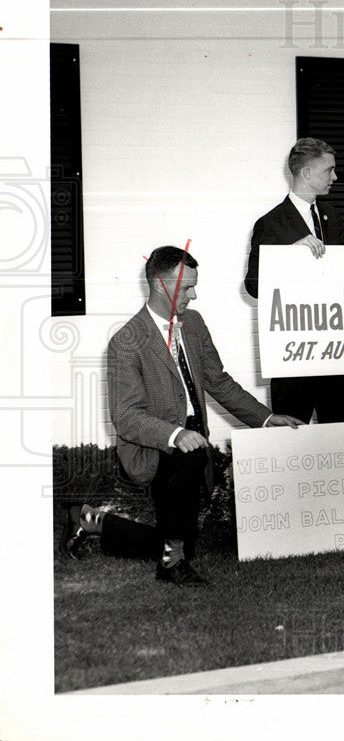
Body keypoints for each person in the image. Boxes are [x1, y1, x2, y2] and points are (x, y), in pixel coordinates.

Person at [100, 245, 302, 586]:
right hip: (154, 447)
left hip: (191, 440)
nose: (194, 295)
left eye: (194, 286)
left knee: (182, 542)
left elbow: (218, 381)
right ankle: (170, 565)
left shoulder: (192, 323)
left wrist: (266, 419)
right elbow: (126, 417)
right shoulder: (127, 341)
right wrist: (176, 435)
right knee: (190, 456)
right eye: (186, 288)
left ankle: (92, 522)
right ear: (160, 286)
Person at [244, 137, 344, 424]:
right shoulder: (271, 223)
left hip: (335, 353)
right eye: (329, 170)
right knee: (293, 438)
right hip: (293, 357)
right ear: (306, 173)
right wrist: (288, 256)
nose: (336, 176)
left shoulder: (334, 218)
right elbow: (253, 285)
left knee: (340, 434)